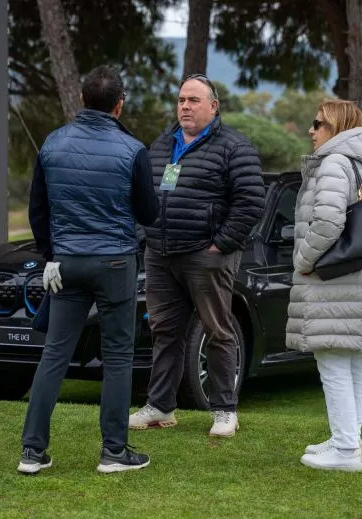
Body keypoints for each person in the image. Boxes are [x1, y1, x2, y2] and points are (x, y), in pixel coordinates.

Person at [18, 65, 159, 474]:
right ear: (119, 105)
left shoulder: (52, 144)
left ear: (81, 99)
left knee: (54, 355)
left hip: (66, 261)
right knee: (117, 356)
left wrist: (50, 255)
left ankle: (32, 451)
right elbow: (149, 212)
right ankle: (114, 452)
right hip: (115, 261)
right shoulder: (132, 149)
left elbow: (37, 211)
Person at [128, 74, 265, 437]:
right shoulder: (161, 145)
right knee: (164, 332)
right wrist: (146, 235)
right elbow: (141, 195)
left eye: (193, 100)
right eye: (181, 100)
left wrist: (222, 243)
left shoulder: (235, 146)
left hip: (207, 256)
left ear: (213, 106)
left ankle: (224, 410)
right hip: (161, 254)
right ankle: (160, 407)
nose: (185, 106)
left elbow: (251, 202)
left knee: (218, 330)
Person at [287, 100, 362, 472]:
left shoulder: (335, 162)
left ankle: (347, 450)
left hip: (336, 279)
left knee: (333, 360)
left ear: (335, 127)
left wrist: (303, 260)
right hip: (359, 276)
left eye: (317, 123)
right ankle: (347, 440)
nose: (311, 130)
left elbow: (328, 222)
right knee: (349, 360)